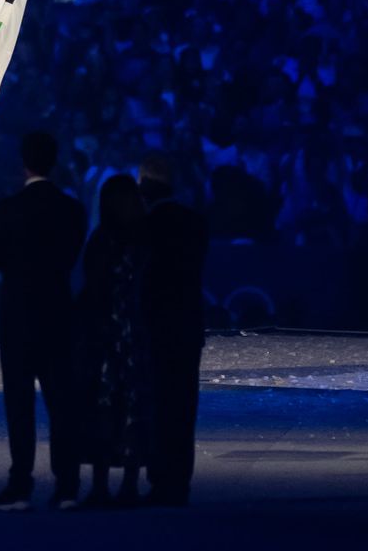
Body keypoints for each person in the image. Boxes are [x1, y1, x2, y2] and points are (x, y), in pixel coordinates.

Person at [0, 131, 87, 511]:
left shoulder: (7, 210)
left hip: (19, 318)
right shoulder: (72, 210)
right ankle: (68, 485)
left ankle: (20, 484)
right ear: (53, 161)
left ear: (24, 162)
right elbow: (71, 259)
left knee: (20, 404)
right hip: (57, 314)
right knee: (62, 402)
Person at [138, 152, 208, 506]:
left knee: (159, 403)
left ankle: (162, 477)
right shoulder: (194, 221)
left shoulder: (147, 226)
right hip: (188, 323)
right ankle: (180, 478)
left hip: (157, 325)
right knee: (184, 404)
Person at [76, 174, 149, 509]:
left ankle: (103, 485)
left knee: (105, 407)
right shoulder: (142, 240)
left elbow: (91, 289)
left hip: (108, 334)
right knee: (130, 408)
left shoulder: (103, 239)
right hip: (132, 335)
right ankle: (129, 483)